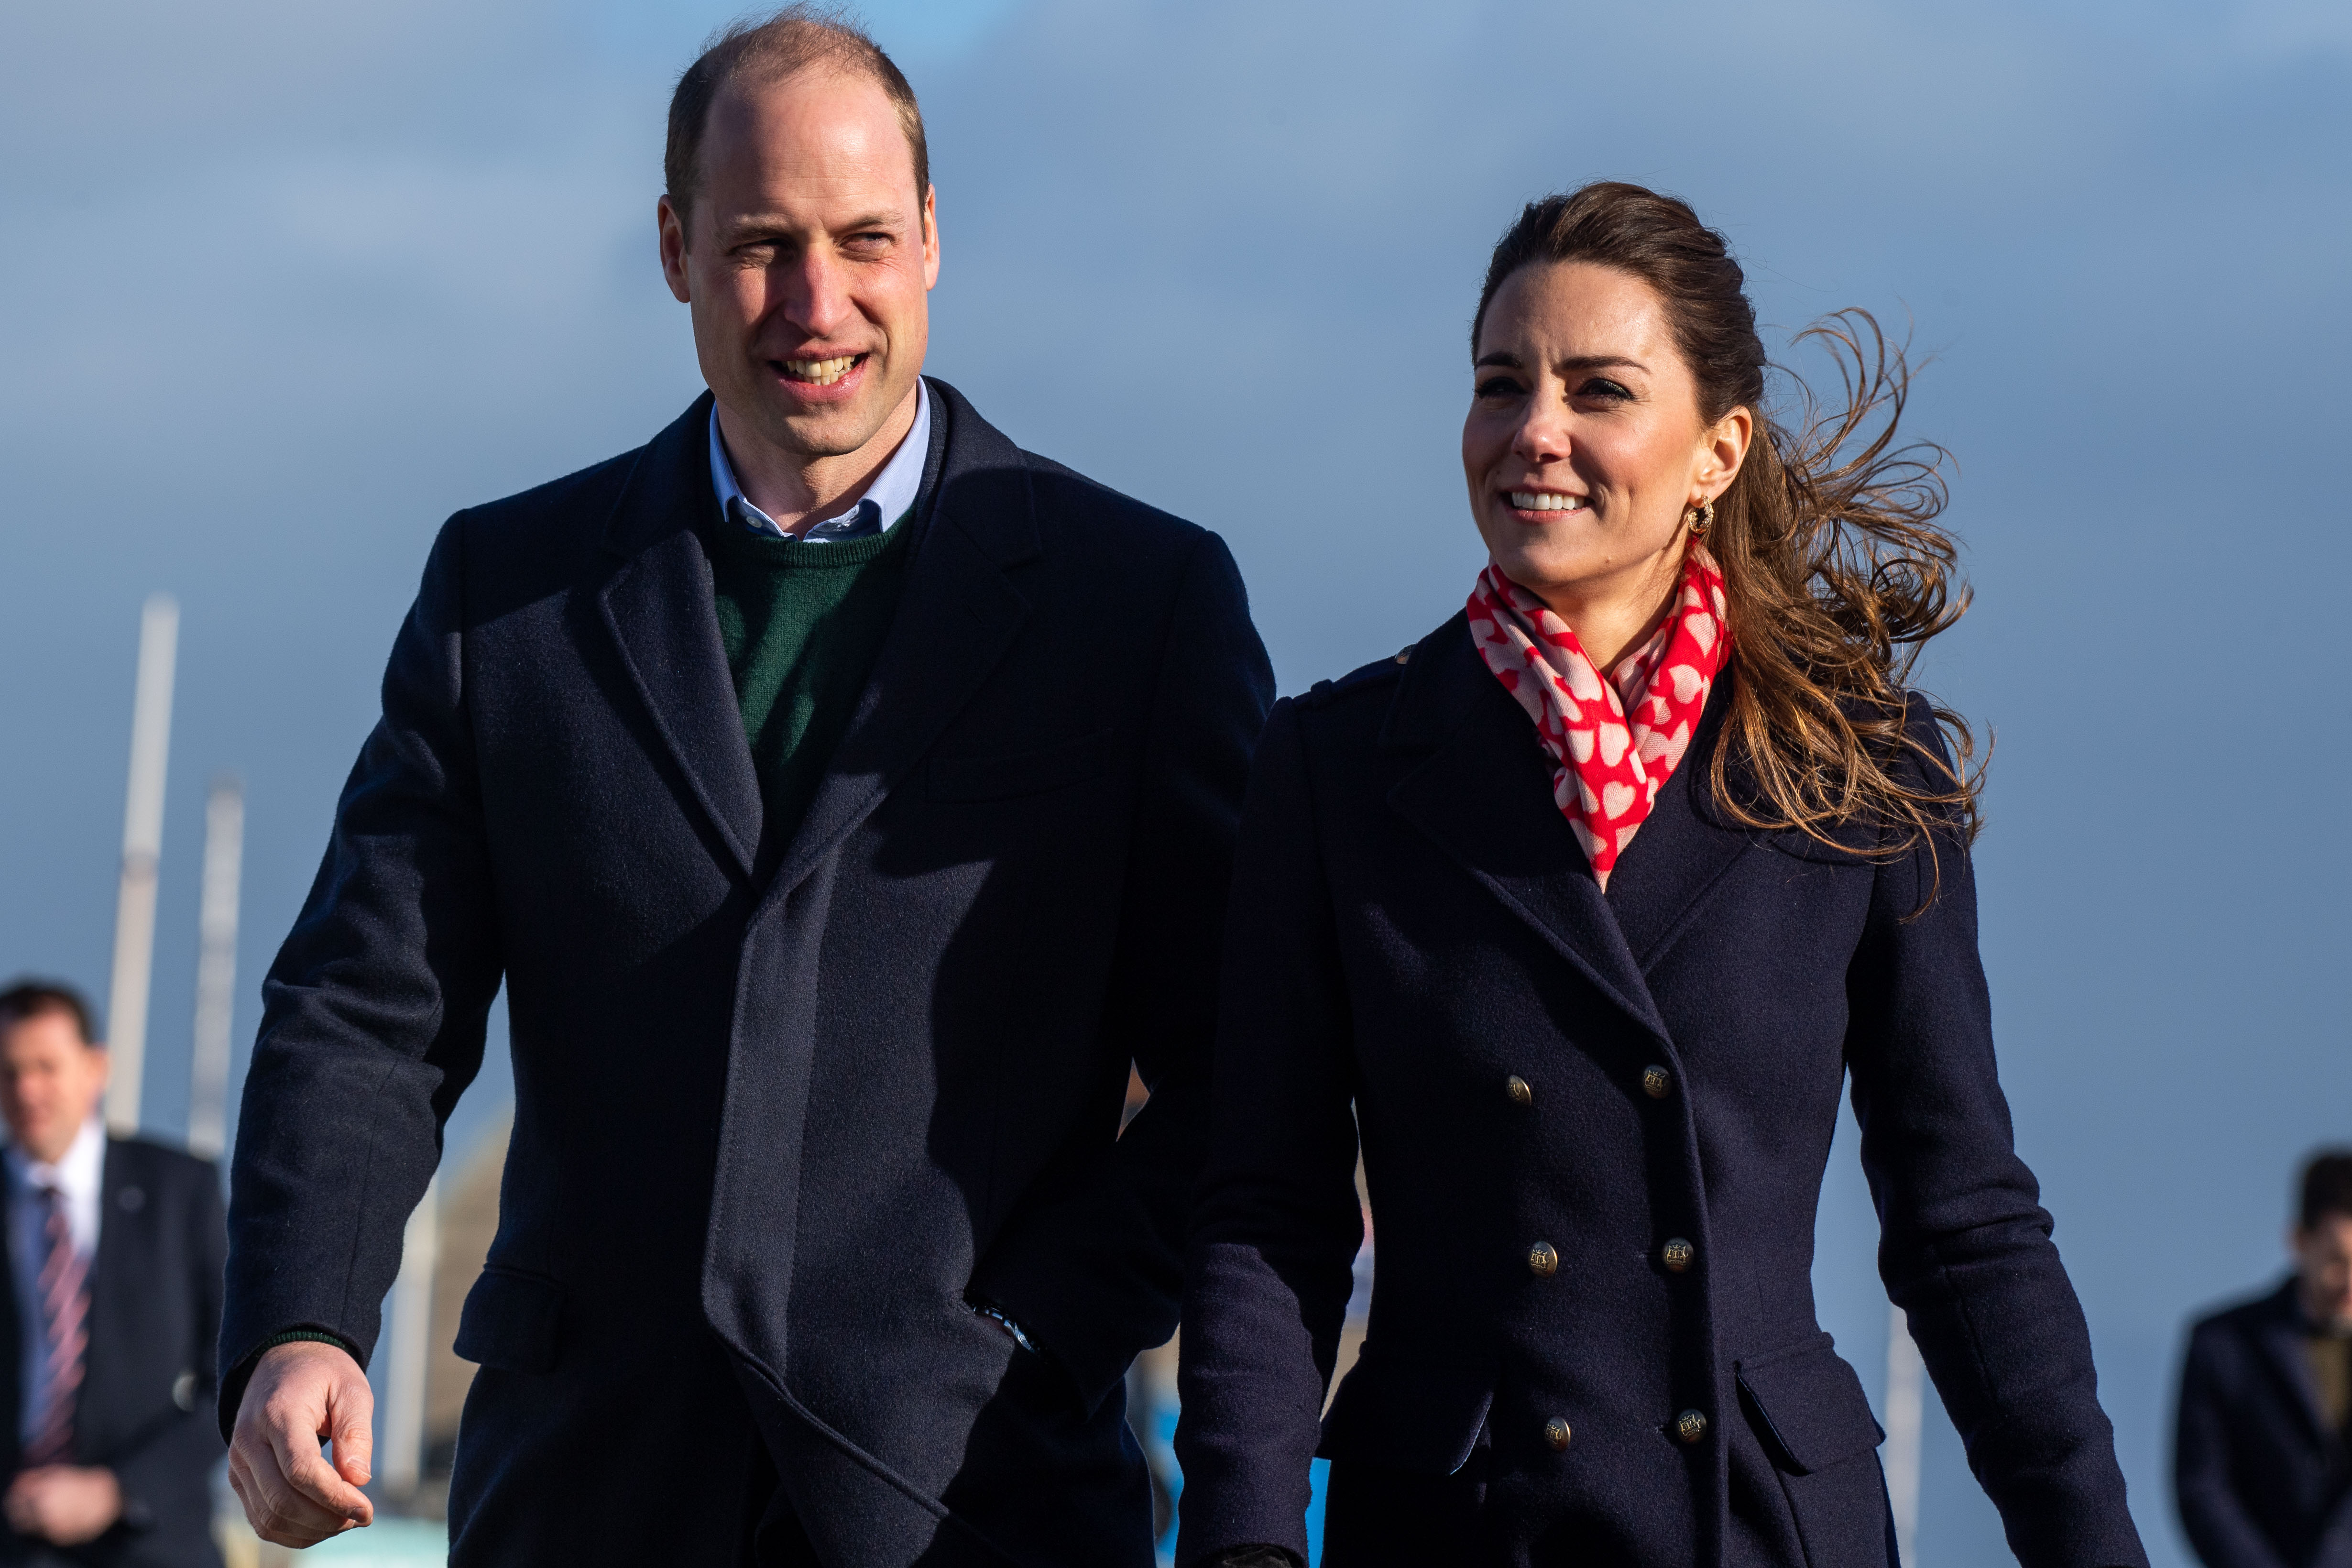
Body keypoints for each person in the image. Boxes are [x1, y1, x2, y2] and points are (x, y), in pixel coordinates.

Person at [218, 9, 1272, 1566]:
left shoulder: (1139, 604)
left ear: (929, 241)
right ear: (674, 248)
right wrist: (302, 1316)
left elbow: (1240, 1064)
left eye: (860, 238)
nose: (815, 300)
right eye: (762, 243)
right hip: (589, 1490)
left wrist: (1040, 1319)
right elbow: (368, 1004)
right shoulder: (504, 594)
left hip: (976, 1496)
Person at [1173, 182, 2146, 1568]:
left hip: (1759, 1524)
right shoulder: (1339, 765)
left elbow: (1961, 1221)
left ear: (1715, 448)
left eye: (1598, 389)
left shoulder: (1856, 767)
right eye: (1499, 383)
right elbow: (1268, 1212)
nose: (1533, 432)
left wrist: (2088, 1542)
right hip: (1454, 1525)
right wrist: (1245, 1546)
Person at [0, 982, 223, 1568]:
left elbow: (233, 1376)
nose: (27, 1090)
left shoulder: (180, 1191)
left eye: (46, 1067)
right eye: (9, 1072)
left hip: (153, 1541)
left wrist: (117, 1490)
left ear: (95, 1068)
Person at [2175, 1150, 2352, 1567]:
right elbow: (2202, 1489)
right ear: (2298, 1241)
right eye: (2336, 1260)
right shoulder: (2221, 1344)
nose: (2349, 1280)